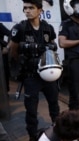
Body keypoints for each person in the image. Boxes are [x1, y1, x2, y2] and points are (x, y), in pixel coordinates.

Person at [7, 0, 60, 140]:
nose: (27, 11)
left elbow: (53, 45)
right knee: (31, 111)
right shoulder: (20, 28)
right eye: (25, 8)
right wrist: (24, 65)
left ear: (40, 10)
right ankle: (32, 136)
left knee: (54, 106)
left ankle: (58, 131)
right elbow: (13, 51)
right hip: (31, 76)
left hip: (48, 75)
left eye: (31, 8)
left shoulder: (48, 28)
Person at [0, 23, 11, 92]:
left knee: (4, 73)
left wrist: (7, 47)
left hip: (1, 54)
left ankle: (5, 91)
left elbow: (12, 36)